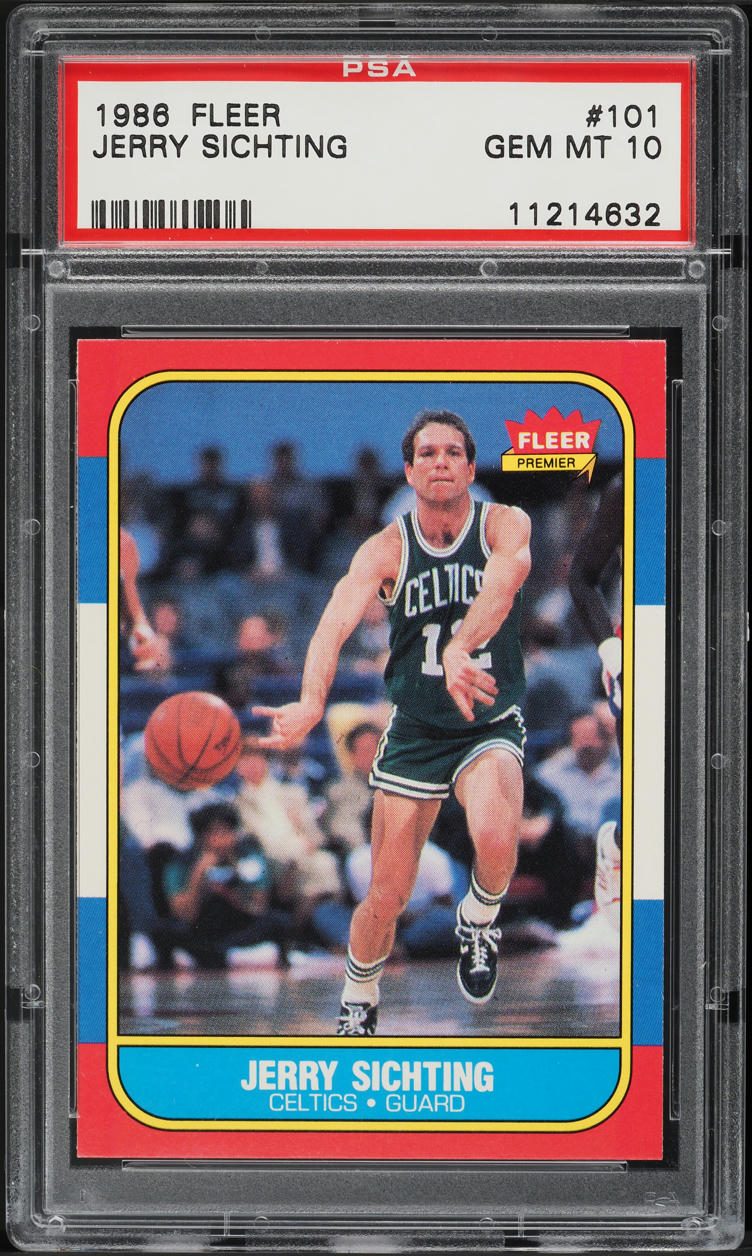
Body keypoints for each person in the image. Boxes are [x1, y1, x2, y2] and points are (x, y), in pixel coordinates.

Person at [253, 410, 531, 1035]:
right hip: (417, 730)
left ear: (471, 468)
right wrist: (311, 700)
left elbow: (503, 587)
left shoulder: (505, 524)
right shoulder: (385, 548)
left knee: (496, 837)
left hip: (487, 719)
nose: (440, 462)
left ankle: (478, 920)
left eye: (452, 452)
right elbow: (332, 625)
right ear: (408, 472)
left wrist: (462, 647)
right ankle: (359, 995)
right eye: (427, 453)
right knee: (386, 893)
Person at [568, 474, 623, 921]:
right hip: (643, 647)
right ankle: (618, 844)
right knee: (653, 783)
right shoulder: (627, 489)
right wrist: (611, 648)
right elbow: (581, 578)